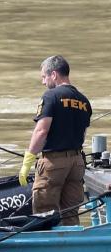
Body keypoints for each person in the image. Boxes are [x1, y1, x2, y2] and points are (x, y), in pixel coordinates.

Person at [18, 55, 91, 226]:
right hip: (77, 163)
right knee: (71, 213)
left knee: (44, 212)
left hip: (53, 163)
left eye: (44, 77)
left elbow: (41, 130)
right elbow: (83, 135)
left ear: (54, 75)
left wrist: (28, 160)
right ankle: (72, 249)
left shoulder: (51, 96)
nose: (44, 82)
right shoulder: (84, 101)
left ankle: (46, 251)